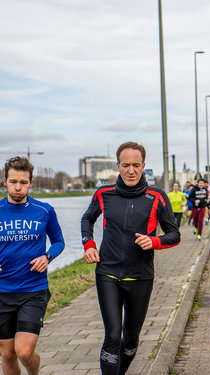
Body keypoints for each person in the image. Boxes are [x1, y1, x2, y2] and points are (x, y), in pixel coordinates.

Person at [81, 142, 180, 375]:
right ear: (118, 166)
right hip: (108, 273)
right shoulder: (104, 194)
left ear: (144, 166)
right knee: (113, 335)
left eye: (136, 165)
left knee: (131, 339)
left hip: (141, 276)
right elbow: (87, 219)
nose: (131, 170)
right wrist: (89, 245)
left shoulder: (157, 196)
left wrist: (154, 241)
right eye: (126, 165)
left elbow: (174, 235)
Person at [0, 156, 65, 375]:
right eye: (13, 181)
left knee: (24, 352)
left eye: (23, 182)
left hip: (33, 290)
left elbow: (59, 242)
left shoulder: (44, 210)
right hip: (1, 292)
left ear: (31, 183)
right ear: (4, 181)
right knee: (8, 355)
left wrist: (47, 257)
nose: (18, 187)